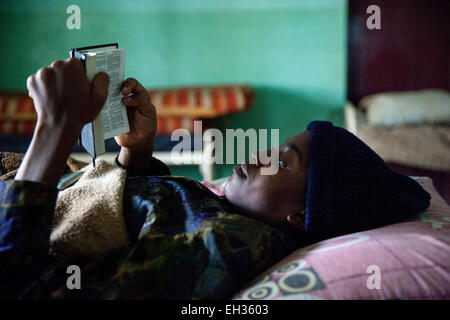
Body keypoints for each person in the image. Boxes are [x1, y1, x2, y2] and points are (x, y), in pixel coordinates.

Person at [0, 58, 430, 299]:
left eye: (283, 162)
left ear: (301, 217)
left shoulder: (226, 246)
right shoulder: (228, 213)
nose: (261, 155)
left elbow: (29, 289)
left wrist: (52, 136)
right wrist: (136, 152)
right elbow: (144, 219)